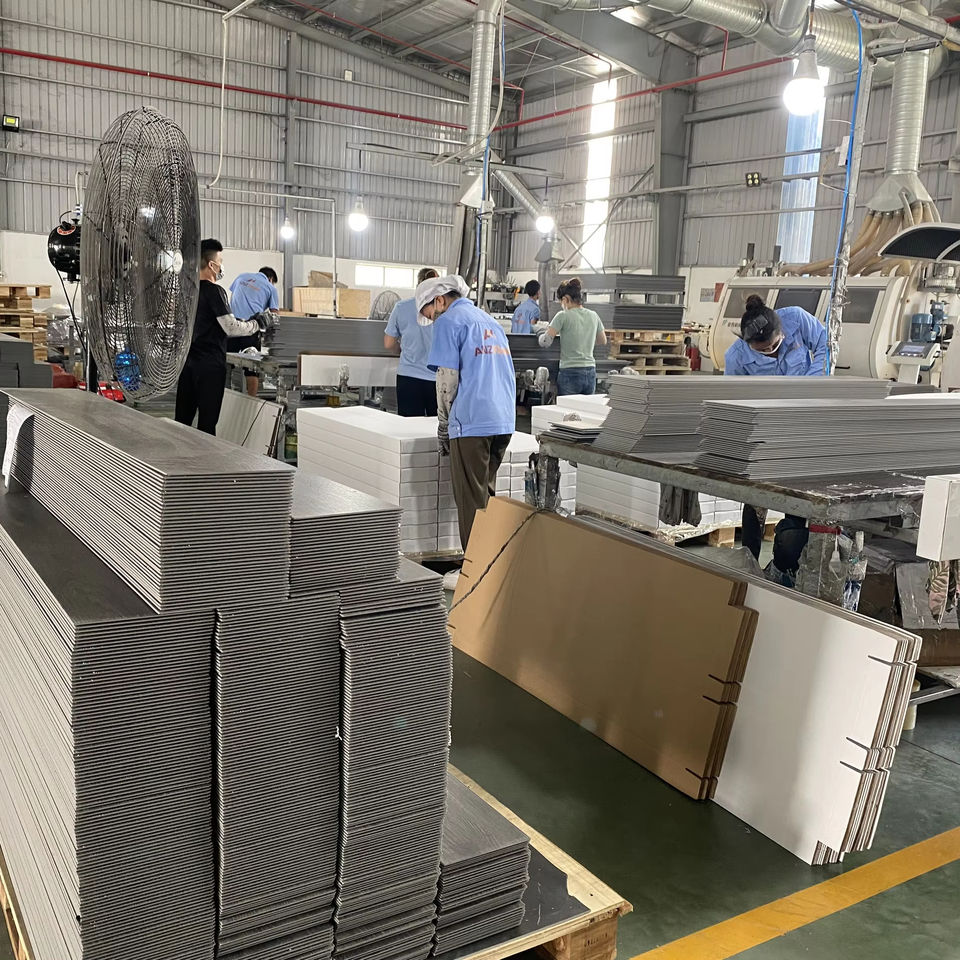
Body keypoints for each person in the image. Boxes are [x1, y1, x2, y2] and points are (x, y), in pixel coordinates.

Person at [725, 294, 828, 578]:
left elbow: (825, 343)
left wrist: (811, 382)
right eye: (763, 351)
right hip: (765, 430)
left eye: (774, 345)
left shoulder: (796, 317)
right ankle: (749, 564)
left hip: (803, 423)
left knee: (797, 493)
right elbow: (733, 401)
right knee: (755, 496)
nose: (771, 352)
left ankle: (786, 564)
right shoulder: (735, 358)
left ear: (781, 328)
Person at [421, 274, 516, 550]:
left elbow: (447, 380)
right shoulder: (489, 322)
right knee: (486, 499)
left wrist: (443, 425)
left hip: (472, 421)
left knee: (471, 505)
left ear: (439, 301)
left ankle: (475, 570)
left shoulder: (448, 321)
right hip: (502, 420)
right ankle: (492, 565)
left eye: (430, 315)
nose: (432, 321)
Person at [175, 239, 269, 436]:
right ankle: (206, 456)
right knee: (207, 424)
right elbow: (230, 327)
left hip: (187, 364)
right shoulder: (214, 291)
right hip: (209, 366)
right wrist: (256, 324)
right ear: (212, 265)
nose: (221, 266)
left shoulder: (187, 292)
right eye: (220, 261)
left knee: (182, 421)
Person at [384, 267, 440, 416]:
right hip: (437, 379)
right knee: (437, 425)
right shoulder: (443, 310)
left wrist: (401, 350)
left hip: (408, 377)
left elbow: (388, 343)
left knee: (408, 425)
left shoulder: (401, 307)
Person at [538, 277, 606, 395]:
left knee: (568, 406)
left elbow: (546, 342)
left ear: (565, 299)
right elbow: (602, 340)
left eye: (561, 301)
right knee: (586, 406)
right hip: (590, 371)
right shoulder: (594, 315)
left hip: (570, 372)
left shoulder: (563, 316)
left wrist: (539, 332)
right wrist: (585, 340)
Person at [227, 266, 280, 397]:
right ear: (270, 279)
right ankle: (251, 399)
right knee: (251, 368)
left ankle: (223, 396)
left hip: (232, 326)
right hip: (251, 328)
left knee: (227, 363)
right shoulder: (270, 287)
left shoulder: (241, 276)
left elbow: (234, 297)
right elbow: (274, 315)